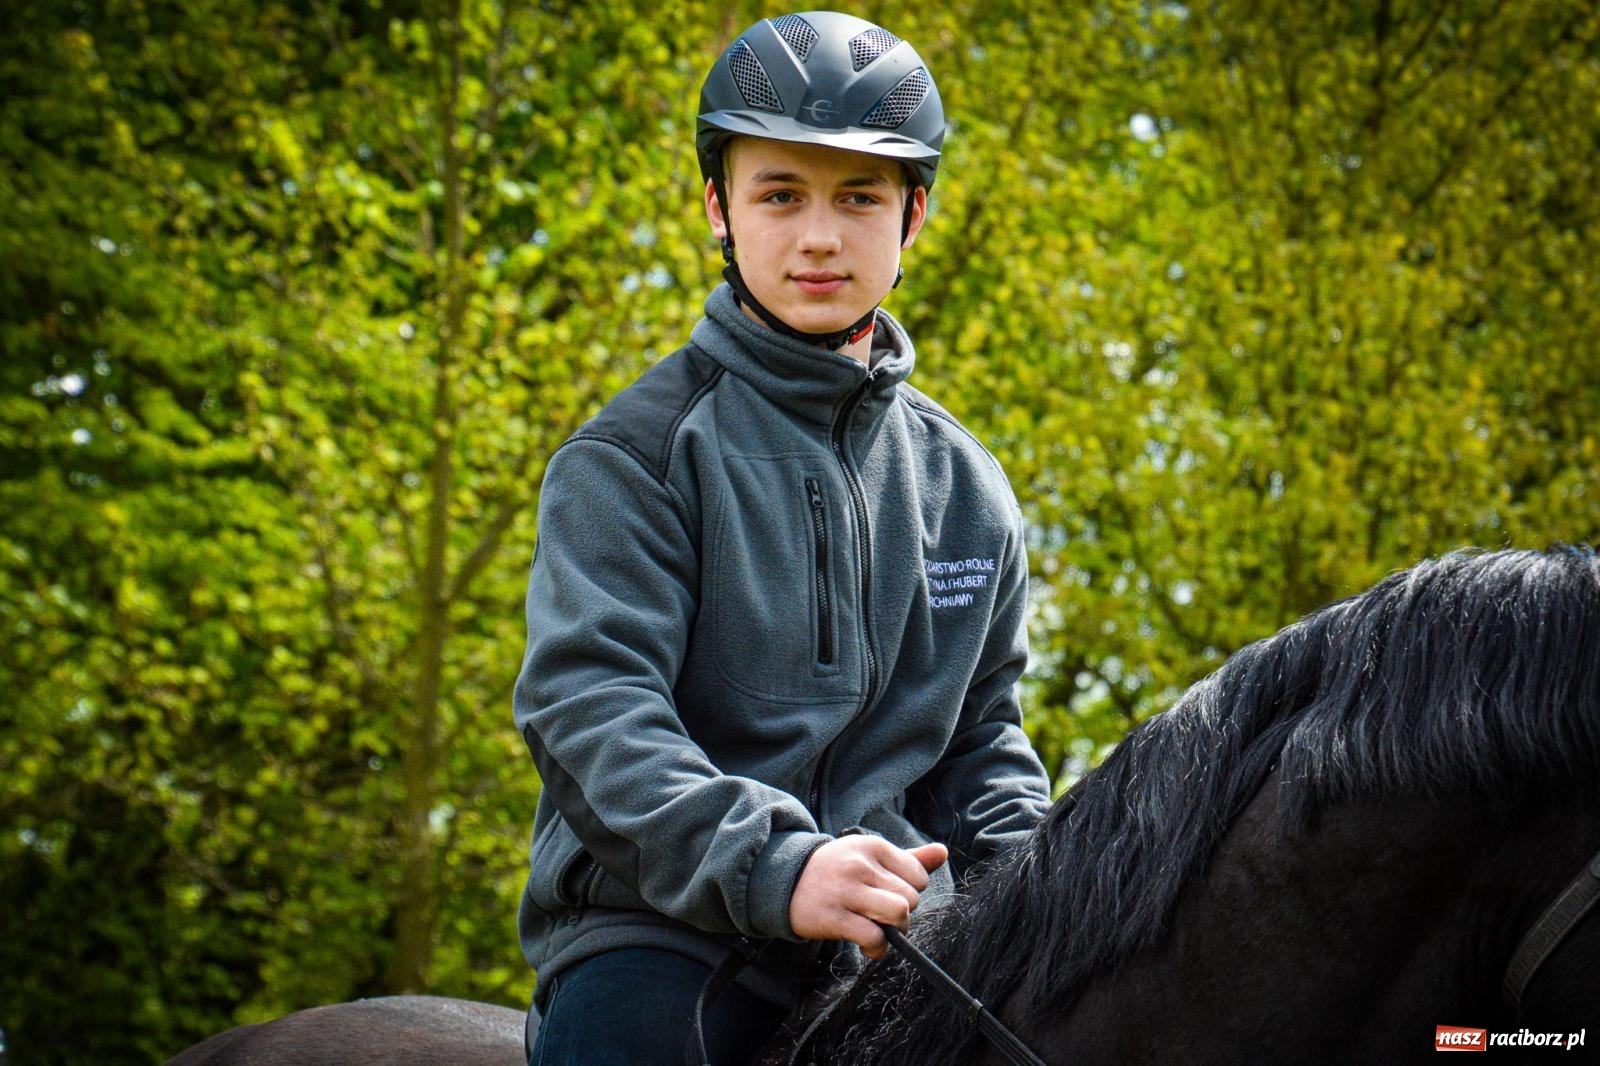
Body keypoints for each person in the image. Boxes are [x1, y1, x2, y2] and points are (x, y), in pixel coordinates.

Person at [514, 11, 1051, 1064]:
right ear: (717, 208)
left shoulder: (969, 489)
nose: (818, 235)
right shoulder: (634, 456)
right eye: (779, 195)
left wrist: (1046, 901)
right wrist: (782, 867)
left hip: (907, 951)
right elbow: (591, 710)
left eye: (859, 197)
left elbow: (985, 745)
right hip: (660, 943)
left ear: (915, 214)